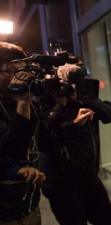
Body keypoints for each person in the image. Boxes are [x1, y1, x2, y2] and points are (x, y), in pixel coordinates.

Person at [37, 63, 111, 225]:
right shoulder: (47, 101)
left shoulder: (84, 100)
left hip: (87, 175)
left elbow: (109, 115)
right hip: (61, 181)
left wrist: (90, 99)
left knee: (106, 219)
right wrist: (62, 106)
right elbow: (45, 140)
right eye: (72, 85)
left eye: (80, 84)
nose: (76, 89)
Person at [0, 42, 46, 225]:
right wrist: (18, 169)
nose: (18, 77)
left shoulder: (22, 102)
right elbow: (11, 150)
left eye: (21, 71)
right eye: (10, 71)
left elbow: (47, 143)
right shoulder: (20, 102)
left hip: (29, 208)